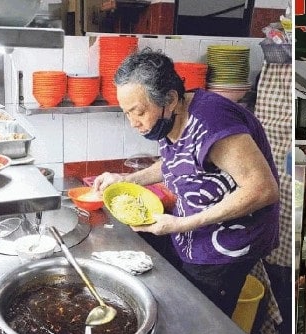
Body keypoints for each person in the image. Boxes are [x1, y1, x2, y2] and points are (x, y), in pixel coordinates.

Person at [92, 48, 280, 317]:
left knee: (201, 318)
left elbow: (262, 189)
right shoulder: (173, 115)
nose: (133, 122)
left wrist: (181, 224)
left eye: (139, 112)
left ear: (169, 98)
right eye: (127, 113)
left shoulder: (213, 122)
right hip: (192, 231)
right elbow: (177, 162)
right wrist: (126, 179)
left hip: (227, 244)